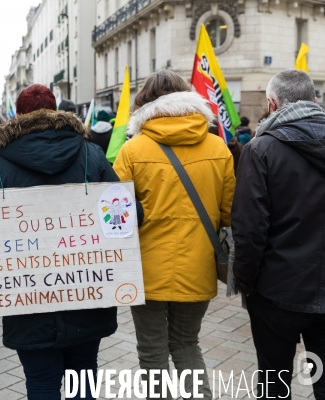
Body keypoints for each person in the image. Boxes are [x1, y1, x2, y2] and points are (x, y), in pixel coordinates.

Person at [0, 84, 119, 399]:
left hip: (26, 298)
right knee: (83, 378)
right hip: (87, 289)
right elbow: (125, 217)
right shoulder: (91, 154)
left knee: (41, 383)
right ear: (54, 111)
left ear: (18, 115)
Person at [112, 70, 235, 399]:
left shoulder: (132, 150)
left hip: (146, 270)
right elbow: (228, 213)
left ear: (144, 103)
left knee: (152, 353)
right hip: (198, 266)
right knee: (186, 344)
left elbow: (115, 219)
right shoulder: (218, 147)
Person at [233, 69, 325, 399]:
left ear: (272, 104)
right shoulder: (261, 149)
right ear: (315, 101)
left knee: (274, 383)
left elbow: (249, 229)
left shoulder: (261, 150)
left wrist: (245, 283)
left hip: (276, 293)